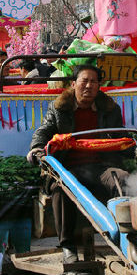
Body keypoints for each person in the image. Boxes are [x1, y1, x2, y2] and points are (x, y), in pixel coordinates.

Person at [27, 64, 125, 262]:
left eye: (93, 82)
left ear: (99, 86)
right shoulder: (59, 108)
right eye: (84, 81)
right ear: (73, 84)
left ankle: (125, 240)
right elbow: (44, 131)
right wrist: (37, 148)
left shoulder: (110, 109)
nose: (88, 86)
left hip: (102, 167)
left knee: (123, 180)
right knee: (61, 189)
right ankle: (68, 247)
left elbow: (120, 135)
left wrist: (135, 147)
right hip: (68, 167)